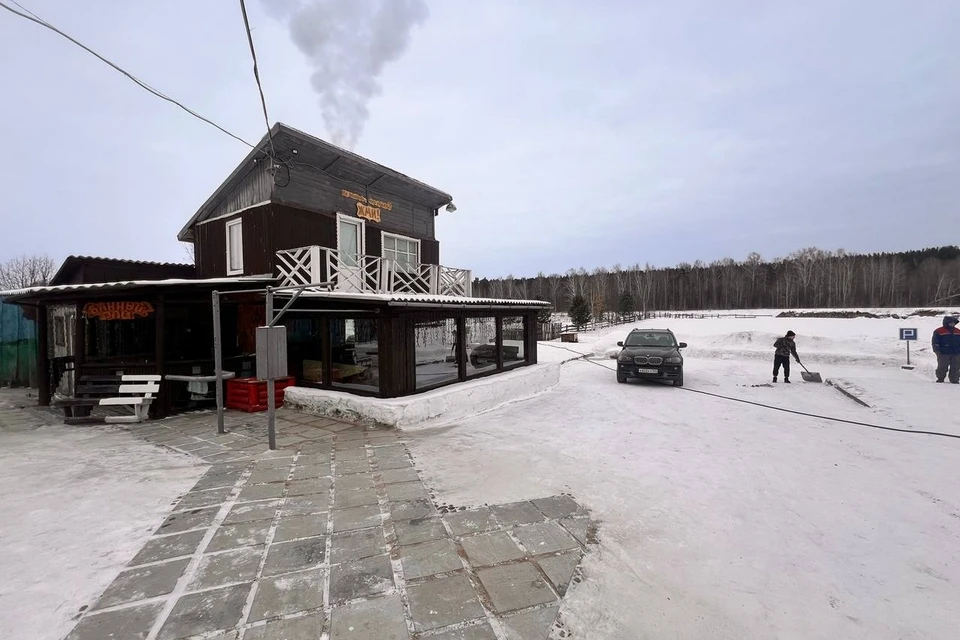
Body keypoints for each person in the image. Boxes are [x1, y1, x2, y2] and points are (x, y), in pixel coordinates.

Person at [932, 316, 960, 384]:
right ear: (946, 323)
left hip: (956, 352)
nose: (952, 324)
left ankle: (954, 379)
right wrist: (937, 351)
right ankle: (940, 378)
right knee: (942, 366)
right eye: (951, 323)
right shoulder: (938, 331)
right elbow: (935, 342)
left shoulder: (958, 331)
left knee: (956, 367)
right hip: (943, 353)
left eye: (953, 323)